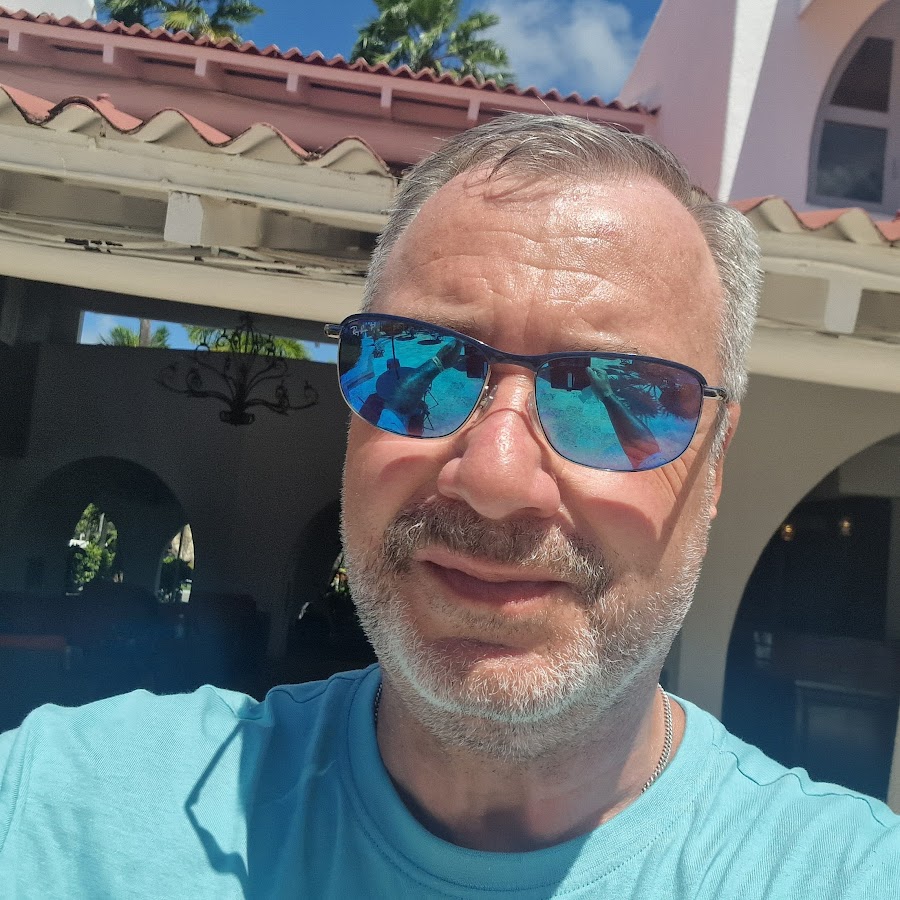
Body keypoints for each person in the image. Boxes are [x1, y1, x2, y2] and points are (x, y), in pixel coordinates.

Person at [1, 114, 897, 898]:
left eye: (615, 397)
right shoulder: (67, 810)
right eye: (417, 364)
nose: (494, 476)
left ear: (715, 460)